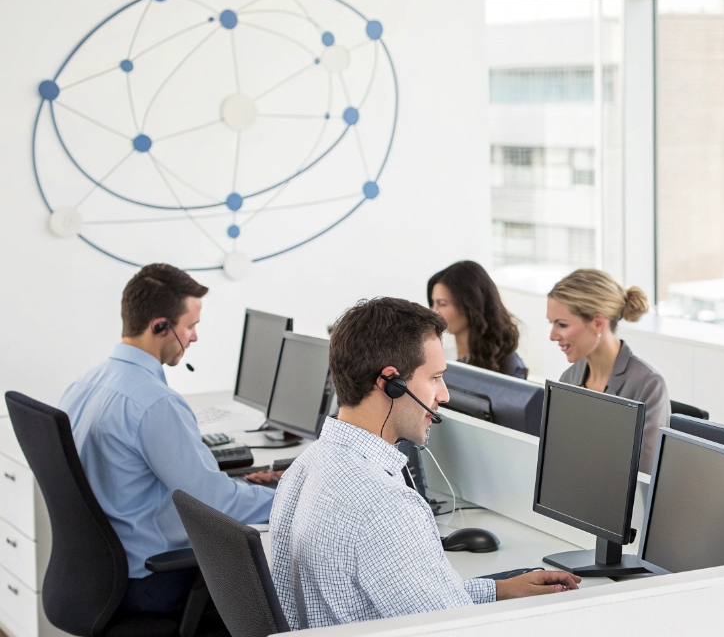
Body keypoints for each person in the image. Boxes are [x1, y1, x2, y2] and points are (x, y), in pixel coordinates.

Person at [270, 297, 579, 628]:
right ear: (391, 383)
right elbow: (458, 629)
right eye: (434, 378)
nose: (444, 395)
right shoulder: (385, 505)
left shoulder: (305, 468)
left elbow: (405, 599)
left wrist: (497, 590)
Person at [59, 263, 274, 613]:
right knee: (275, 590)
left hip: (94, 575)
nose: (194, 337)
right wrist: (291, 499)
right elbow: (218, 505)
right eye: (190, 327)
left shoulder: (84, 384)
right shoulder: (155, 403)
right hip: (150, 581)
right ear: (160, 326)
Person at [547, 269, 671, 474]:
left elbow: (643, 477)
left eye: (562, 324)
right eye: (552, 323)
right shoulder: (568, 379)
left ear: (597, 323)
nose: (553, 335)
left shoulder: (648, 385)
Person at [427, 260, 528, 379]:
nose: (434, 311)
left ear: (470, 306)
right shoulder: (441, 356)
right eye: (433, 303)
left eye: (442, 304)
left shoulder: (508, 365)